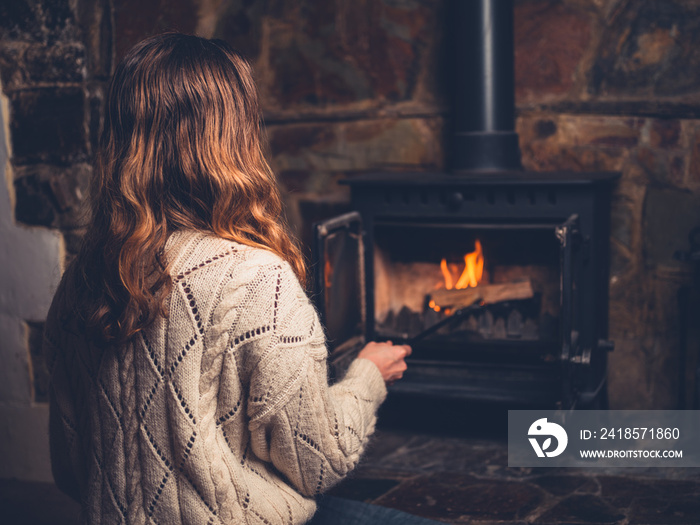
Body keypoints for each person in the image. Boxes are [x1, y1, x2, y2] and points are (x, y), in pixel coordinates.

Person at [43, 33, 418, 524]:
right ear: (233, 136)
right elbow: (317, 460)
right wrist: (369, 375)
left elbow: (72, 468)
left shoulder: (80, 281)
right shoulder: (256, 279)